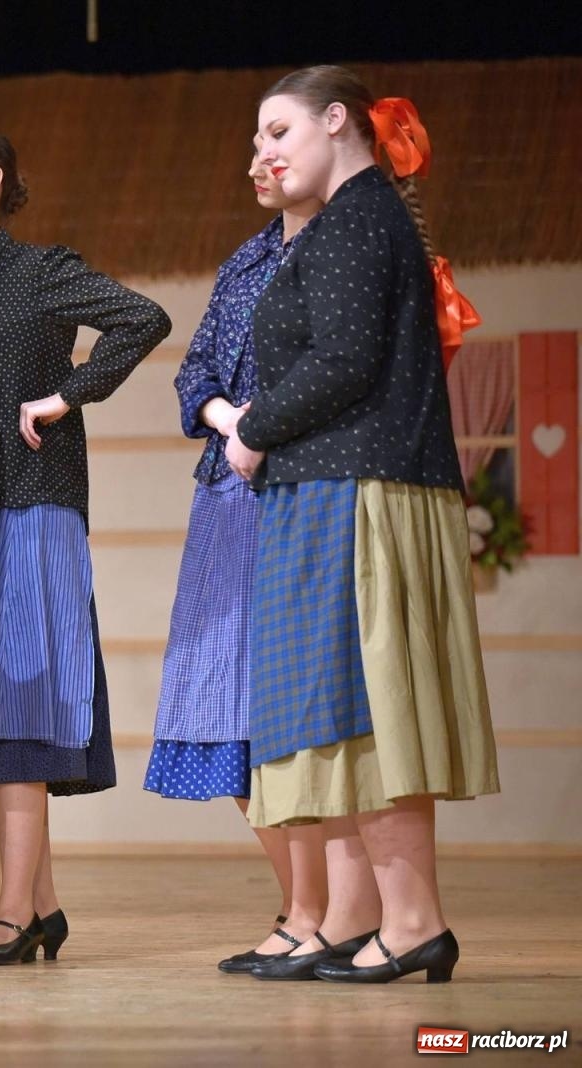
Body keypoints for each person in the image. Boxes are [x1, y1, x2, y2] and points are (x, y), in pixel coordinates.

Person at [228, 65, 500, 984]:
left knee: (370, 706)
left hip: (359, 486)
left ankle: (414, 918)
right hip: (335, 483)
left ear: (336, 120)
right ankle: (361, 916)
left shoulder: (356, 219)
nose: (262, 152)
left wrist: (254, 429)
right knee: (341, 709)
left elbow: (345, 360)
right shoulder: (353, 221)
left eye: (277, 131)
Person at [0, 121, 170, 965]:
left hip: (34, 506)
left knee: (20, 703)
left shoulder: (42, 269)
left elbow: (144, 319)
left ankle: (12, 914)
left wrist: (67, 396)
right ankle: (44, 905)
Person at [143, 157, 333, 977]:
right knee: (222, 710)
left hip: (302, 492)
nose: (259, 158)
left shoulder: (341, 247)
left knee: (288, 718)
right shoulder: (245, 260)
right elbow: (194, 374)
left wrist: (273, 422)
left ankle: (322, 914)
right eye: (252, 143)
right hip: (228, 494)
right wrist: (229, 417)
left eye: (277, 136)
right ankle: (299, 907)